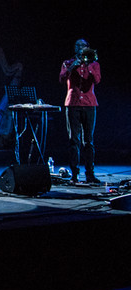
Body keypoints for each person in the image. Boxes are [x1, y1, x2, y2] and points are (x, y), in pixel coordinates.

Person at [60, 39, 101, 184]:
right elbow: (61, 78)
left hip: (89, 104)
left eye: (83, 46)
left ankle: (90, 174)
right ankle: (74, 174)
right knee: (74, 140)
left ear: (87, 48)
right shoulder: (67, 63)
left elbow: (97, 80)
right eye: (77, 45)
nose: (80, 48)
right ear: (75, 48)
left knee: (88, 141)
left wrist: (89, 66)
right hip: (73, 103)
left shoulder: (94, 64)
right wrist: (72, 67)